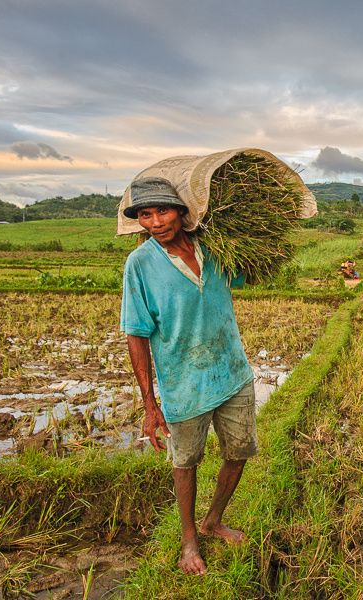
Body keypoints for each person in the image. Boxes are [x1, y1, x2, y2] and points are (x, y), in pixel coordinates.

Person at [120, 176, 256, 575]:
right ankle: (188, 540)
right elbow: (136, 334)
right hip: (183, 381)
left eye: (162, 211)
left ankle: (213, 521)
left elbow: (246, 274)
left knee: (239, 452)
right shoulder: (140, 265)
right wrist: (150, 403)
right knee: (186, 463)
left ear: (181, 212)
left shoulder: (213, 247)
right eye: (145, 215)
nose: (155, 222)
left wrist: (248, 239)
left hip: (232, 371)